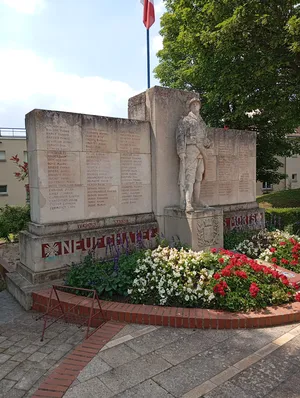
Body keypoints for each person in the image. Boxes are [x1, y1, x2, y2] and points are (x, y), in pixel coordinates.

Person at [176, 97, 211, 211]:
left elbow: (205, 138)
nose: (196, 106)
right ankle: (188, 202)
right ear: (190, 107)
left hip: (201, 152)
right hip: (191, 150)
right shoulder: (185, 120)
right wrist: (181, 151)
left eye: (197, 104)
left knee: (198, 177)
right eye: (193, 104)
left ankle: (196, 200)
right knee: (189, 177)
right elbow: (180, 136)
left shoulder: (202, 123)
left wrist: (207, 142)